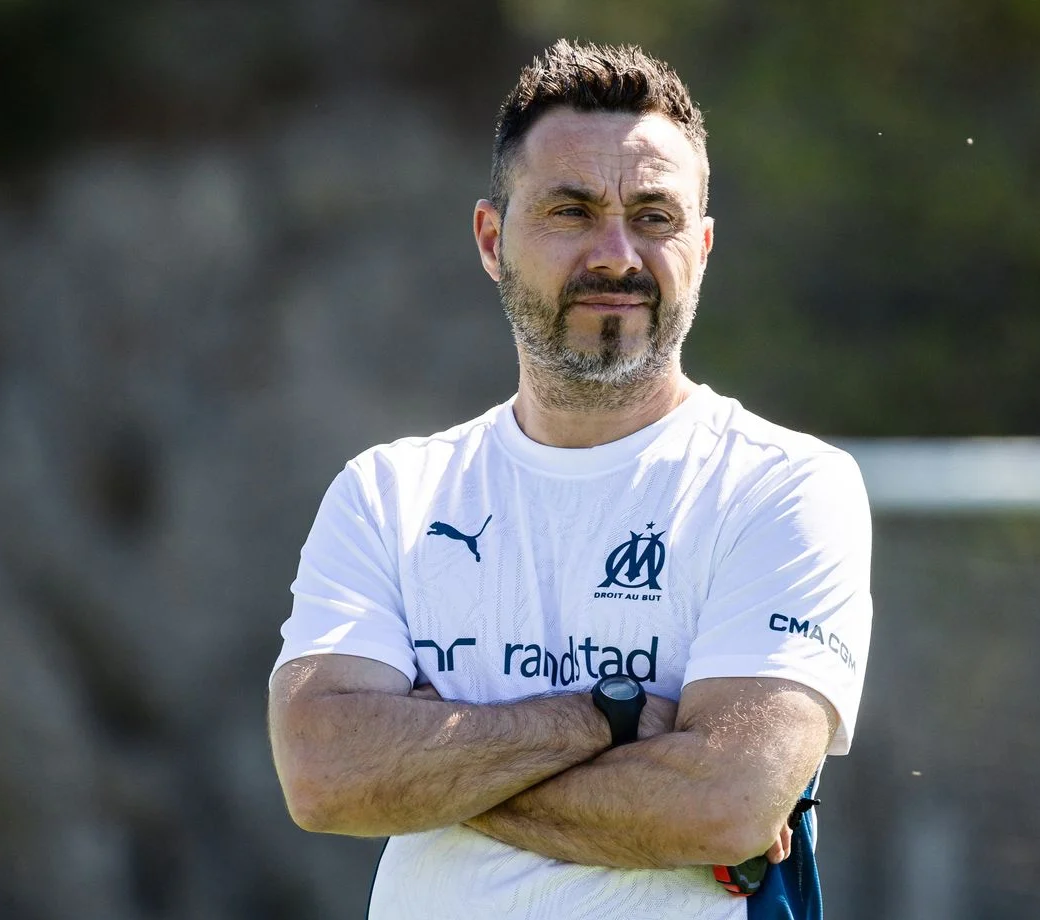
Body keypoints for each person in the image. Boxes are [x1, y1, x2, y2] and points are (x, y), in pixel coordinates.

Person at [267, 39, 873, 920]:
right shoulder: (388, 495)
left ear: (703, 248)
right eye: (572, 210)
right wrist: (610, 719)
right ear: (492, 240)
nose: (617, 254)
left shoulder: (785, 487)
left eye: (655, 217)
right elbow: (325, 773)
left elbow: (729, 804)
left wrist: (428, 767)